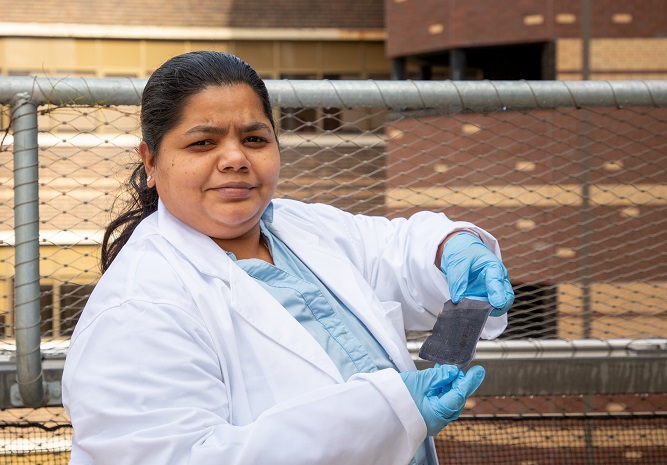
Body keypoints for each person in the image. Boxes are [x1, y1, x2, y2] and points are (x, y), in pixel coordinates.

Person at [62, 51, 514, 465]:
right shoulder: (137, 308)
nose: (236, 158)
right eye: (203, 143)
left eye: (255, 138)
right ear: (151, 161)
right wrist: (383, 415)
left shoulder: (295, 226)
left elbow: (391, 248)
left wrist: (449, 249)